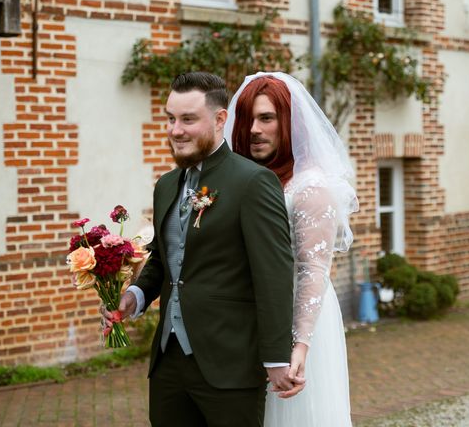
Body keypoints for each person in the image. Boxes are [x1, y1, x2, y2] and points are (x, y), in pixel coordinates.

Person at [103, 72, 300, 427]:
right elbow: (164, 261)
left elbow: (273, 275)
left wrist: (275, 358)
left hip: (231, 364)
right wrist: (134, 296)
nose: (175, 130)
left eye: (188, 119)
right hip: (167, 363)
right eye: (171, 118)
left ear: (220, 119)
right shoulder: (165, 186)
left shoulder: (253, 182)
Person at [225, 72, 359, 427]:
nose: (254, 128)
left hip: (297, 319)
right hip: (246, 317)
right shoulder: (238, 178)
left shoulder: (310, 186)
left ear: (287, 122)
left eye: (266, 118)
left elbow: (312, 269)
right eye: (247, 118)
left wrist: (298, 346)